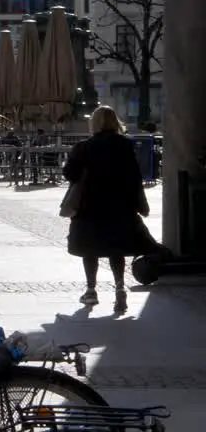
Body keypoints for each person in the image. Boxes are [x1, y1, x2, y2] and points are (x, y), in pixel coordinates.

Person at [64, 105, 162, 314]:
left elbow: (70, 174)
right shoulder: (124, 145)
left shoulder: (84, 147)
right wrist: (139, 203)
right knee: (115, 248)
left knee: (89, 248)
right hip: (120, 206)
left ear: (95, 123)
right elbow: (135, 176)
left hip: (90, 206)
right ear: (114, 122)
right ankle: (119, 287)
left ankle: (91, 290)